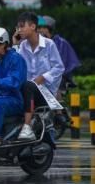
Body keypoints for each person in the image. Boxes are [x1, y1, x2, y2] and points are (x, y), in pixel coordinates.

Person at [13, 12, 65, 140]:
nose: (19, 30)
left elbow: (59, 67)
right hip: (28, 90)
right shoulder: (22, 46)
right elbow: (15, 65)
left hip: (45, 92)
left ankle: (27, 126)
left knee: (28, 85)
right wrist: (15, 44)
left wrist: (44, 77)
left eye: (22, 26)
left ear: (32, 26)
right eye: (18, 27)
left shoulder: (49, 44)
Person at [37, 15, 81, 90]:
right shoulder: (38, 43)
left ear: (49, 29)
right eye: (39, 28)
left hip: (57, 79)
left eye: (43, 28)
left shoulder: (61, 43)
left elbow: (60, 64)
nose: (40, 30)